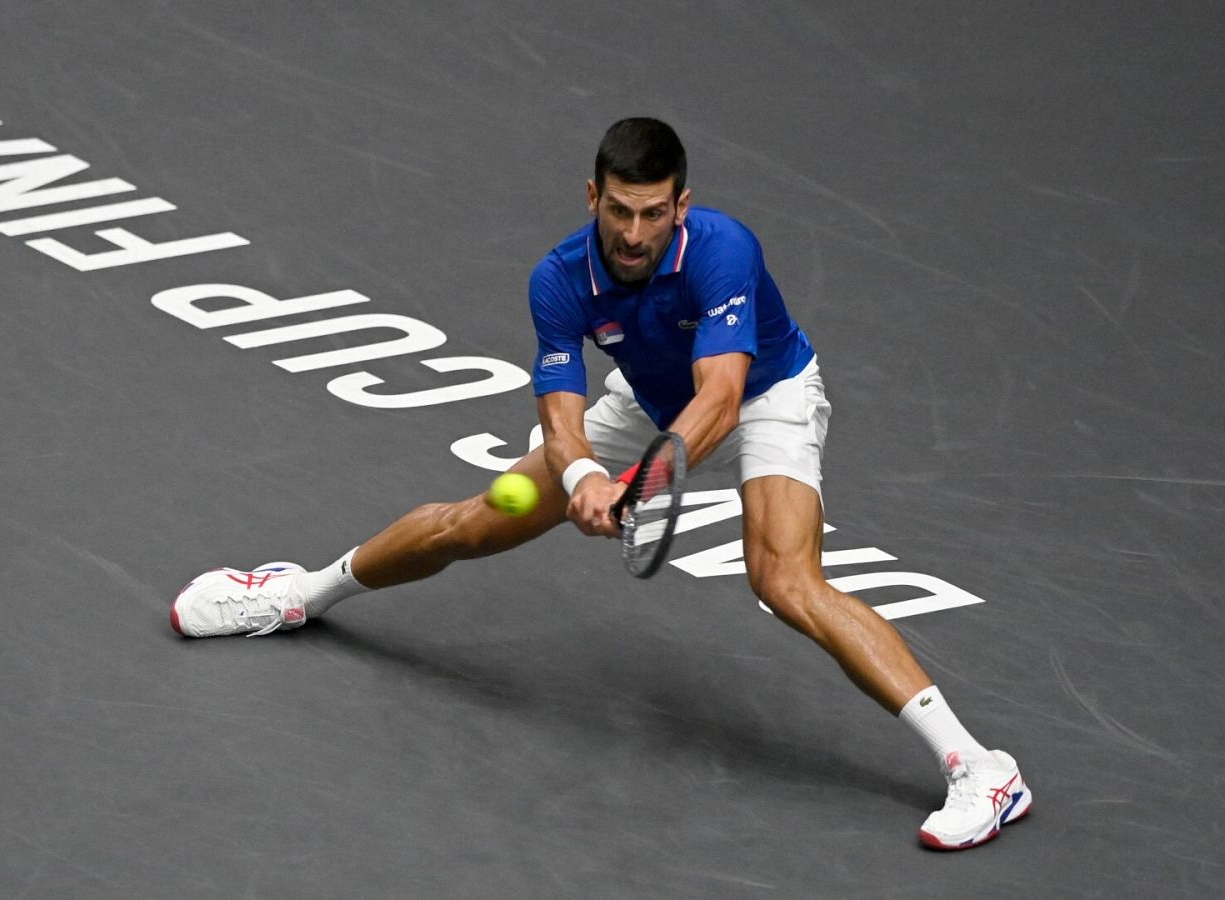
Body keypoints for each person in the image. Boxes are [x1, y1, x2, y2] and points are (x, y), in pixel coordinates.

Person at [169, 118, 1031, 850]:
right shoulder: (557, 278)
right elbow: (561, 408)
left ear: (681, 207)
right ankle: (297, 595)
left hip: (767, 395)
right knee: (479, 519)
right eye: (619, 210)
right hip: (643, 401)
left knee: (783, 579)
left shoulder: (723, 250)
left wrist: (645, 481)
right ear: (592, 197)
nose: (634, 232)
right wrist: (583, 474)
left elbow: (722, 394)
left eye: (654, 213)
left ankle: (980, 769)